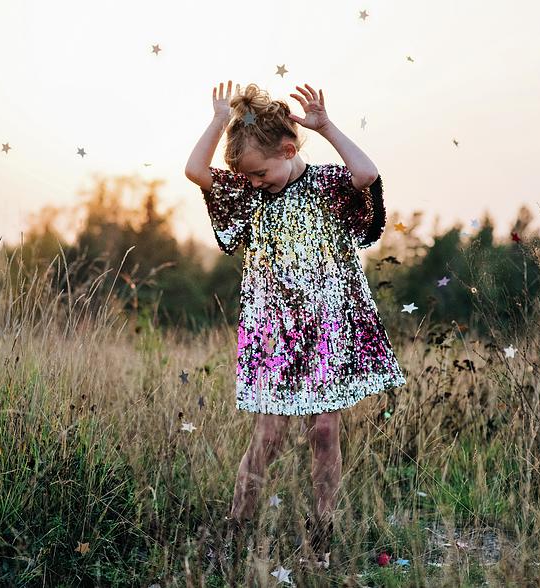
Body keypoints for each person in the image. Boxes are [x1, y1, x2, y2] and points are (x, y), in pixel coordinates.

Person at [184, 80, 406, 573]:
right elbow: (196, 171)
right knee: (268, 436)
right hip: (273, 330)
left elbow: (366, 174)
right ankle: (235, 533)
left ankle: (322, 539)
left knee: (325, 432)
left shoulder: (328, 184)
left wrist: (326, 127)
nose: (257, 182)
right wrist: (221, 119)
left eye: (262, 172)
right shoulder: (250, 193)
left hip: (328, 324)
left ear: (288, 149)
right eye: (250, 176)